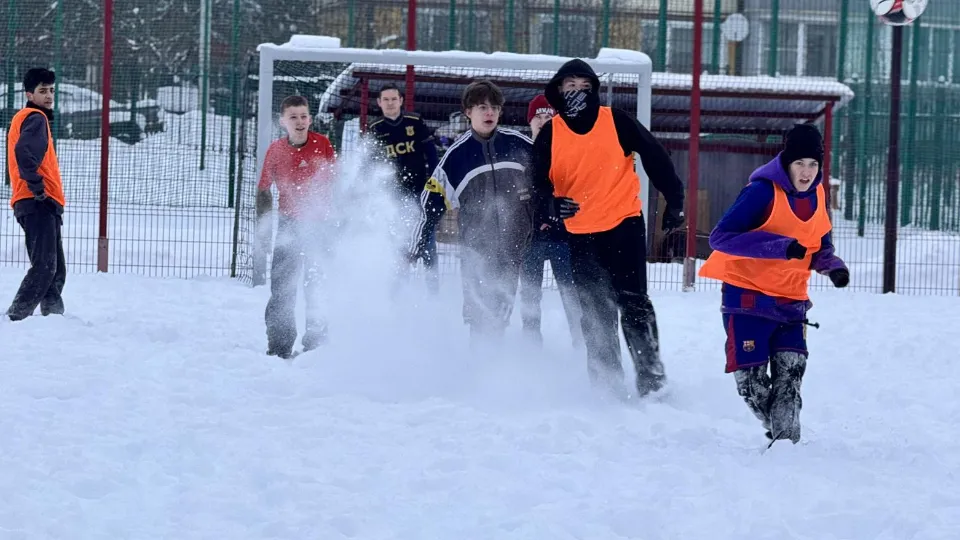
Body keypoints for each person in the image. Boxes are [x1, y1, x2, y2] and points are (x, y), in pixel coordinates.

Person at [531, 59, 686, 398]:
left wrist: (674, 200)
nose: (577, 93)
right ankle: (606, 388)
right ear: (558, 92)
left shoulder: (615, 120)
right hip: (580, 236)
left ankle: (652, 382)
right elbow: (538, 185)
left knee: (634, 305)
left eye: (583, 87)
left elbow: (655, 155)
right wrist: (551, 205)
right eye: (569, 87)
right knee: (596, 313)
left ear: (594, 90)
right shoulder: (550, 135)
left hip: (624, 227)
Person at [699, 123, 849, 444]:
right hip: (748, 301)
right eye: (799, 164)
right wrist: (778, 246)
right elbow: (719, 237)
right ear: (786, 162)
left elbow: (819, 245)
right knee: (752, 386)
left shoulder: (820, 194)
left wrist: (832, 266)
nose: (807, 172)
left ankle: (786, 448)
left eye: (813, 164)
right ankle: (781, 431)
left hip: (793, 303)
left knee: (790, 378)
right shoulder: (762, 192)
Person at [410, 80, 534, 342]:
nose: (489, 113)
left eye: (494, 107)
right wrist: (418, 242)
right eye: (481, 107)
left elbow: (550, 180)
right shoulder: (457, 156)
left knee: (500, 315)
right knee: (478, 315)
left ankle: (494, 372)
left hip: (515, 247)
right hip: (476, 249)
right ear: (468, 112)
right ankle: (477, 369)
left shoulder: (520, 145)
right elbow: (430, 203)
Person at [256, 95, 337, 359]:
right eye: (293, 117)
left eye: (303, 116)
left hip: (320, 226)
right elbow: (264, 192)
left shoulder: (323, 144)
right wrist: (264, 230)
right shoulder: (276, 151)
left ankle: (316, 344)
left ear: (310, 119)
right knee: (282, 287)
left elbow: (337, 184)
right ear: (283, 122)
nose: (299, 121)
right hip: (289, 226)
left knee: (318, 285)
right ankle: (279, 347)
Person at [518, 94, 582, 348]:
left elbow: (573, 196)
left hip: (561, 237)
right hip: (530, 239)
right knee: (530, 295)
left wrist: (554, 219)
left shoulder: (568, 153)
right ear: (530, 121)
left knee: (571, 293)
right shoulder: (520, 154)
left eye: (548, 117)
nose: (543, 122)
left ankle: (581, 344)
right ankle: (531, 345)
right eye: (538, 117)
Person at [5, 68, 67, 322]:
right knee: (45, 267)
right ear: (29, 94)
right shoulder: (35, 118)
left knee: (56, 268)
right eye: (43, 91)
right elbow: (24, 154)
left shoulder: (27, 117)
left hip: (39, 201)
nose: (49, 95)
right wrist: (39, 189)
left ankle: (52, 318)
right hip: (36, 200)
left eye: (52, 90)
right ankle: (16, 317)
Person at [368, 83, 441, 292]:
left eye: (394, 99)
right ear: (379, 103)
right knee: (398, 244)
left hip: (420, 194)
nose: (390, 103)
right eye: (386, 100)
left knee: (427, 242)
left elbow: (432, 154)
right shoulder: (375, 129)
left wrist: (435, 184)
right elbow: (369, 165)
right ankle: (398, 294)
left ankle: (433, 292)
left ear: (401, 101)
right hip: (393, 198)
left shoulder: (415, 122)